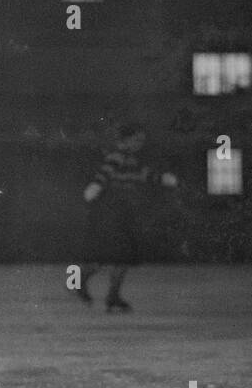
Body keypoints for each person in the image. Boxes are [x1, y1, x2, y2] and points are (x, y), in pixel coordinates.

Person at [75, 123, 177, 313]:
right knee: (109, 256)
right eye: (137, 139)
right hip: (112, 212)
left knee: (122, 256)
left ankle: (112, 295)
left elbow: (144, 175)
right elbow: (104, 174)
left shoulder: (132, 159)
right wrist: (94, 188)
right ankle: (81, 283)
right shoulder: (117, 156)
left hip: (125, 211)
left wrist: (163, 179)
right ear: (126, 140)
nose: (140, 143)